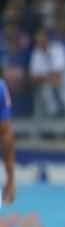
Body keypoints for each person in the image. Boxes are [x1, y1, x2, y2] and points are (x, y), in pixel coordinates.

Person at [0, 76, 14, 204]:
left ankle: (9, 184)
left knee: (6, 136)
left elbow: (5, 130)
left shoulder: (1, 88)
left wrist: (10, 181)